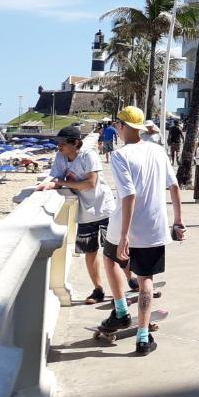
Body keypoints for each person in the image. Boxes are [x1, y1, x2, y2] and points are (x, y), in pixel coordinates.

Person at [98, 106, 185, 355]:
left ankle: (122, 312)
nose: (116, 127)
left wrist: (125, 235)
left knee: (110, 257)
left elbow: (129, 195)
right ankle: (143, 339)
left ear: (124, 127)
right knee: (146, 280)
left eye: (117, 124)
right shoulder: (158, 151)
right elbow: (175, 186)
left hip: (124, 225)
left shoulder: (120, 155)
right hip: (154, 227)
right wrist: (178, 221)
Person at [36, 125, 116, 304]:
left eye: (63, 142)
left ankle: (131, 281)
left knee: (114, 250)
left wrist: (61, 182)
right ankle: (98, 290)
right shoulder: (60, 157)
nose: (59, 146)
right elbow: (55, 179)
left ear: (75, 143)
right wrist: (51, 184)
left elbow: (90, 183)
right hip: (85, 212)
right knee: (90, 252)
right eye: (59, 142)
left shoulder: (88, 155)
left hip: (103, 207)